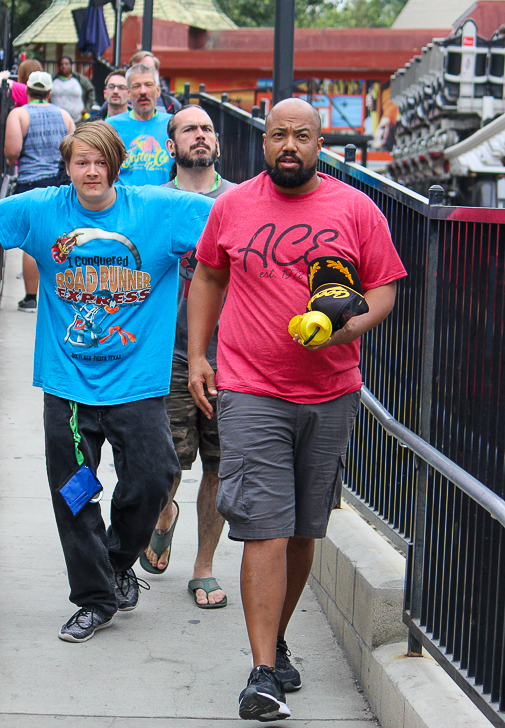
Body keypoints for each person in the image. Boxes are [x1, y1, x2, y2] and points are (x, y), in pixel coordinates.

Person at [187, 97, 407, 721]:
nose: (290, 145)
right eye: (278, 135)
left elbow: (385, 288)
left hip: (330, 391)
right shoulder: (233, 205)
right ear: (263, 143)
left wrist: (345, 331)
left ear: (319, 144)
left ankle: (277, 642)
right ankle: (261, 673)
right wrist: (199, 357)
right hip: (251, 388)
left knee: (305, 531)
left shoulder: (356, 208)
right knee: (266, 528)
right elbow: (207, 276)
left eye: (302, 136)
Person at [0, 120, 214, 644]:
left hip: (138, 386)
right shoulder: (46, 208)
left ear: (116, 166)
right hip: (69, 386)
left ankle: (116, 562)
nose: (91, 172)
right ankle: (95, 598)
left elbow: (232, 221)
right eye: (81, 163)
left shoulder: (158, 209)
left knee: (155, 476)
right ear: (68, 167)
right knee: (76, 494)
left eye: (101, 163)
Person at [139, 105, 234, 610]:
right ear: (170, 143)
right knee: (166, 464)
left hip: (232, 357)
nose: (200, 136)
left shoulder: (240, 201)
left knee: (219, 462)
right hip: (169, 352)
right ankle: (163, 516)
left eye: (207, 129)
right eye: (189, 130)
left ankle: (203, 568)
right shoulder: (153, 202)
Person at [4, 71, 74, 313]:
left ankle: (31, 297)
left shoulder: (19, 113)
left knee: (33, 241)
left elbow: (12, 152)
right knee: (60, 239)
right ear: (49, 92)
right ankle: (63, 293)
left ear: (28, 91)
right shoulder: (64, 115)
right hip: (59, 182)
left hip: (31, 182)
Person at [105, 63, 172, 186]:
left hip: (164, 202)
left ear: (157, 91)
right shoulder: (111, 126)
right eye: (136, 86)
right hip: (124, 203)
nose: (143, 91)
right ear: (129, 93)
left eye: (148, 85)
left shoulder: (173, 125)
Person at [129, 50, 181, 114]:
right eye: (137, 69)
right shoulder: (124, 103)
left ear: (157, 73)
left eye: (147, 69)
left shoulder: (171, 104)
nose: (142, 73)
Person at [50, 56, 96, 123]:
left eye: (66, 64)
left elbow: (91, 91)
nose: (63, 66)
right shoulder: (52, 80)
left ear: (71, 65)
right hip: (55, 121)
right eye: (61, 64)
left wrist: (87, 107)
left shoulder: (80, 79)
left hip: (77, 121)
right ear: (58, 66)